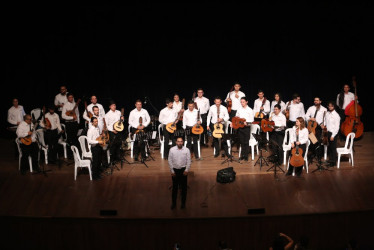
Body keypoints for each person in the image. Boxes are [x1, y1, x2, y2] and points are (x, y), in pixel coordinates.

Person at [168, 137, 191, 209]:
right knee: (174, 188)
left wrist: (186, 170)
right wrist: (172, 171)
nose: (180, 143)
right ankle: (173, 204)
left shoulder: (187, 150)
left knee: (184, 189)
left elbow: (189, 161)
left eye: (181, 141)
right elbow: (170, 160)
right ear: (176, 142)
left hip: (183, 170)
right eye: (178, 141)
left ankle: (183, 204)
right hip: (175, 170)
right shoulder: (172, 150)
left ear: (183, 142)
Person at [233, 97, 254, 161]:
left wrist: (246, 122)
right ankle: (242, 155)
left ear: (246, 102)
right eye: (241, 102)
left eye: (243, 102)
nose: (242, 103)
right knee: (241, 142)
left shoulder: (250, 110)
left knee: (246, 142)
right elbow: (236, 117)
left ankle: (246, 156)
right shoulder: (239, 109)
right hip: (240, 127)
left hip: (246, 128)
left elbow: (252, 120)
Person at [322, 101, 340, 167]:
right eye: (329, 106)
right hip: (327, 132)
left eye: (331, 106)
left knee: (333, 148)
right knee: (329, 147)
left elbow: (337, 127)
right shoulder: (327, 113)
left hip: (333, 133)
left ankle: (333, 162)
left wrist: (333, 135)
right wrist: (324, 125)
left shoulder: (336, 115)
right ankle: (330, 160)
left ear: (334, 107)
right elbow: (325, 120)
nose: (330, 107)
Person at [61, 93, 80, 158]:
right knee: (69, 138)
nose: (71, 98)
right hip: (68, 124)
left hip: (75, 123)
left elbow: (77, 113)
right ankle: (70, 154)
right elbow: (63, 116)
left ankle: (76, 153)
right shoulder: (65, 105)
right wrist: (71, 118)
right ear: (67, 98)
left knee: (75, 138)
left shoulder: (75, 104)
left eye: (72, 97)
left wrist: (78, 122)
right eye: (69, 97)